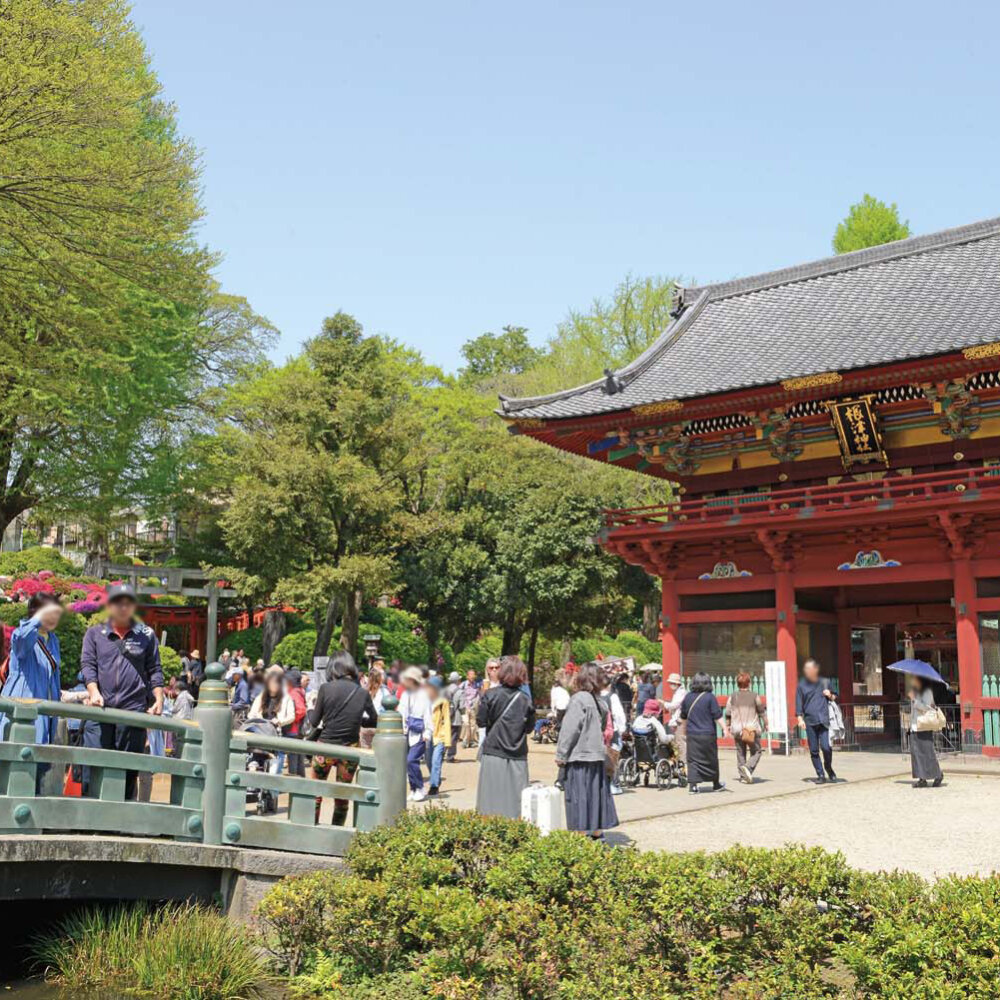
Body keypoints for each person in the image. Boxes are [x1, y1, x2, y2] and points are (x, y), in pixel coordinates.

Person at [81, 583, 164, 801]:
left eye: (128, 603)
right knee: (94, 763)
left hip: (132, 710)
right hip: (101, 708)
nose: (123, 608)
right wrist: (93, 691)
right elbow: (88, 666)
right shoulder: (95, 633)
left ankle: (120, 819)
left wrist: (159, 697)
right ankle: (89, 818)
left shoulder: (146, 635)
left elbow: (154, 669)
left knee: (128, 768)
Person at [307, 651, 377, 824]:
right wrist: (358, 719)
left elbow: (314, 722)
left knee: (315, 793)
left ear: (333, 667)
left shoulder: (326, 688)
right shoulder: (362, 693)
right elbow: (374, 720)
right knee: (342, 796)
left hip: (325, 748)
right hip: (350, 750)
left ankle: (312, 828)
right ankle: (337, 832)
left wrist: (310, 708)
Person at [555, 662, 619, 838]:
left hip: (579, 756)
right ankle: (598, 834)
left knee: (579, 798)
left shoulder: (579, 699)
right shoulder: (600, 701)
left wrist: (561, 754)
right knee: (595, 797)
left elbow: (570, 730)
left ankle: (580, 836)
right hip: (597, 756)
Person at [0, 594, 63, 754]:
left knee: (38, 765)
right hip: (22, 706)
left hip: (45, 709)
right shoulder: (23, 634)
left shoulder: (53, 640)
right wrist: (37, 619)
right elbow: (21, 639)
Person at [475, 655, 536, 818]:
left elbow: (480, 721)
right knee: (517, 802)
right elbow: (529, 728)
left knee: (489, 802)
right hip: (518, 755)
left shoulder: (490, 695)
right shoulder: (526, 700)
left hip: (493, 752)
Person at [795, 658, 838, 784]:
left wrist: (829, 694)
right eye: (807, 669)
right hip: (809, 720)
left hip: (823, 720)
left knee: (826, 747)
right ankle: (820, 774)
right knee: (813, 750)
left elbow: (835, 697)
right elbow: (799, 703)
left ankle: (829, 768)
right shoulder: (801, 685)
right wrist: (799, 718)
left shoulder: (825, 682)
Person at [681, 672, 724, 793]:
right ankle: (716, 784)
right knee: (711, 758)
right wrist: (725, 728)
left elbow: (683, 717)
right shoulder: (710, 697)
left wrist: (684, 731)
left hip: (692, 734)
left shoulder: (688, 697)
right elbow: (717, 716)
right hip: (707, 734)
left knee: (693, 760)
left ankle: (693, 786)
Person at [250, 664, 295, 774]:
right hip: (260, 735)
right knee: (255, 764)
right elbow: (251, 714)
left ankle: (272, 789)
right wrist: (259, 719)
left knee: (275, 769)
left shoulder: (286, 698)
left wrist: (280, 722)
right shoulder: (261, 697)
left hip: (276, 735)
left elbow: (291, 716)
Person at [724, 671, 767, 784]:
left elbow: (728, 712)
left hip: (737, 729)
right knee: (757, 751)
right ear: (749, 683)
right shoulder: (754, 696)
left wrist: (728, 725)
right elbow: (761, 711)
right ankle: (748, 768)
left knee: (740, 752)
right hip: (751, 729)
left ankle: (743, 777)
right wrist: (766, 723)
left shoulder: (733, 696)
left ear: (737, 684)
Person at [398, 665, 433, 801]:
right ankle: (413, 788)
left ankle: (420, 787)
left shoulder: (424, 695)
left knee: (412, 760)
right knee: (407, 763)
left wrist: (428, 732)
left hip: (420, 732)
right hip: (406, 731)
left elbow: (428, 715)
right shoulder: (406, 694)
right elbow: (402, 712)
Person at [908, 675, 944, 788]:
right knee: (916, 753)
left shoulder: (927, 691)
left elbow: (928, 707)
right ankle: (921, 778)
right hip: (915, 725)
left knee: (927, 752)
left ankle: (938, 774)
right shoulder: (916, 691)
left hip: (923, 725)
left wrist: (914, 700)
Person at [427, 675, 451, 795]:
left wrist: (447, 741)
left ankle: (434, 786)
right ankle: (436, 778)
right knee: (428, 761)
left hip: (439, 735)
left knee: (436, 761)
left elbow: (446, 720)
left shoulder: (443, 701)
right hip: (427, 734)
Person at [284, 668, 308, 777]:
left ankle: (293, 779)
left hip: (293, 728)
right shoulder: (300, 690)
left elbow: (301, 710)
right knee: (298, 756)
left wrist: (291, 718)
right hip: (297, 728)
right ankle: (301, 779)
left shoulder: (294, 692)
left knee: (293, 756)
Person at [359, 663, 389, 749]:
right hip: (379, 724)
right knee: (378, 751)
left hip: (364, 725)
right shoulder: (384, 691)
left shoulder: (363, 691)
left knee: (365, 752)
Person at [662, 672, 688, 763]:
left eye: (672, 683)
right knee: (678, 741)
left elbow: (675, 705)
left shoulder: (681, 692)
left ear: (677, 683)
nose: (671, 685)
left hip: (680, 720)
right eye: (670, 683)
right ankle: (680, 761)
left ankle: (682, 762)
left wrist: (664, 704)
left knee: (681, 742)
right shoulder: (678, 692)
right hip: (677, 719)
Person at [459, 669, 480, 748]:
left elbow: (478, 695)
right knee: (466, 724)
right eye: (470, 674)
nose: (472, 676)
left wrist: (476, 704)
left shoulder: (476, 685)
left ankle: (470, 741)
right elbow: (459, 694)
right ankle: (466, 740)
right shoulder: (463, 685)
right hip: (465, 707)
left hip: (473, 708)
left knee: (473, 725)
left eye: (473, 674)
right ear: (467, 676)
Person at [445, 671, 463, 761]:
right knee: (453, 737)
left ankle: (441, 754)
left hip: (445, 716)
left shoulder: (445, 690)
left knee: (445, 735)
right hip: (456, 717)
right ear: (458, 680)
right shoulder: (460, 691)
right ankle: (450, 756)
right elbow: (462, 706)